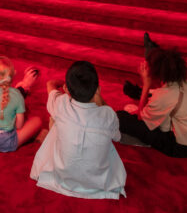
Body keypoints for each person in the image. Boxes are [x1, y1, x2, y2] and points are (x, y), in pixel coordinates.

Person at [30, 61, 126, 199]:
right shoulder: (108, 114)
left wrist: (64, 85)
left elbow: (50, 85)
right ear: (97, 89)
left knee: (55, 120)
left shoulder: (61, 103)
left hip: (63, 176)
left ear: (67, 90)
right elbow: (117, 137)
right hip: (97, 181)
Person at [118, 48, 187, 157]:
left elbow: (141, 119)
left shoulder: (165, 94)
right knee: (146, 117)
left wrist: (146, 84)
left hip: (183, 148)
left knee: (121, 117)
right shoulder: (184, 84)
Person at [0, 57, 43, 153]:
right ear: (13, 74)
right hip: (2, 141)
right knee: (37, 121)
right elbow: (19, 126)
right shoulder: (16, 95)